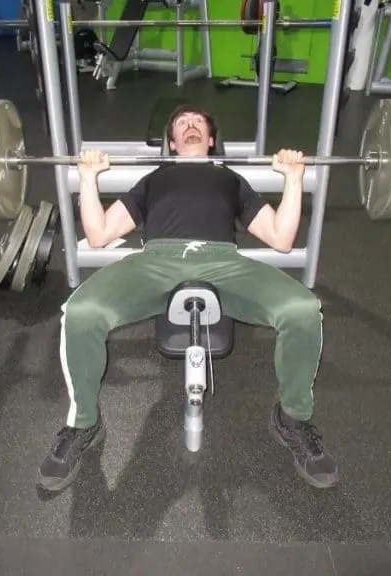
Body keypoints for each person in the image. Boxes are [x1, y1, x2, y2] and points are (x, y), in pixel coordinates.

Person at [37, 104, 339, 492]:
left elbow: (281, 238)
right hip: (156, 260)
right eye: (182, 124)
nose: (191, 125)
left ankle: (293, 418)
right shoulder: (154, 178)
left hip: (223, 261)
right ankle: (83, 423)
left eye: (198, 122)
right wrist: (88, 178)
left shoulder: (230, 179)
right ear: (173, 143)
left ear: (211, 140)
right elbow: (98, 234)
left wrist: (294, 179)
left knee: (303, 309)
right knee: (80, 312)